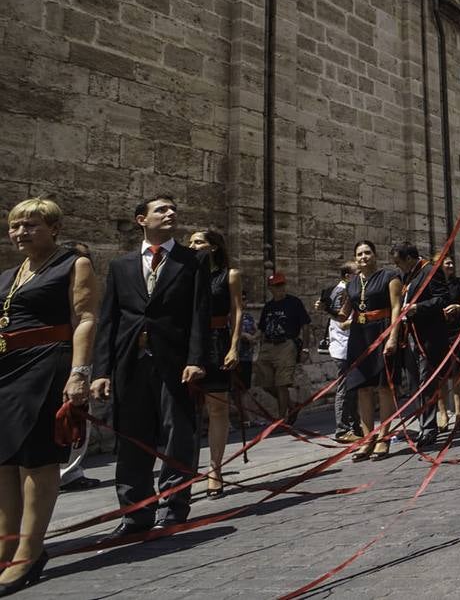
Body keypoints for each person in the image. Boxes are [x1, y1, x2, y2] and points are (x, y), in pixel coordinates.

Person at [91, 193, 210, 536]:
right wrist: (101, 371)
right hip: (131, 362)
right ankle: (135, 513)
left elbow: (199, 315)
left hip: (174, 362)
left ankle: (173, 506)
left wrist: (196, 359)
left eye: (174, 208)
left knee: (177, 435)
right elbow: (109, 320)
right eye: (161, 209)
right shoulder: (121, 266)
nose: (171, 213)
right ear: (141, 219)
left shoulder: (193, 261)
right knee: (131, 438)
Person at [0, 200, 98, 591]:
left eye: (31, 225)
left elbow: (86, 319)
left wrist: (79, 373)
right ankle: (6, 549)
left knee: (36, 460)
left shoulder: (74, 264)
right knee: (5, 461)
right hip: (7, 372)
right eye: (15, 226)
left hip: (46, 365)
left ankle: (29, 552)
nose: (21, 232)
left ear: (54, 228)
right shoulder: (9, 274)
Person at [184, 231, 243, 499]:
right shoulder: (186, 274)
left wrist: (234, 346)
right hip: (188, 344)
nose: (192, 246)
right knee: (185, 410)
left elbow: (237, 310)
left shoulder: (229, 274)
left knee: (217, 409)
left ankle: (215, 470)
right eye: (191, 242)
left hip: (217, 341)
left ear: (214, 247)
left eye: (199, 242)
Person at [343, 240, 402, 461]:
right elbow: (343, 316)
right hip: (359, 336)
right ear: (355, 258)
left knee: (384, 387)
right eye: (359, 254)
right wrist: (326, 308)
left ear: (375, 255)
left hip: (382, 330)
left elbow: (396, 307)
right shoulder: (351, 285)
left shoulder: (389, 277)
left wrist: (393, 337)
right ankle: (368, 439)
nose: (363, 257)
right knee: (362, 388)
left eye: (367, 252)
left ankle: (383, 438)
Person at [391, 243, 451, 452]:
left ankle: (429, 428)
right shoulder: (408, 275)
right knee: (416, 383)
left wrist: (418, 308)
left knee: (427, 382)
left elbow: (443, 298)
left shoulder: (430, 271)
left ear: (409, 258)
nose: (397, 267)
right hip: (410, 337)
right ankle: (424, 423)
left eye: (399, 262)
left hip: (428, 337)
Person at [58, 241, 99, 494]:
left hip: (77, 360)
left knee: (77, 419)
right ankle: (66, 472)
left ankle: (70, 471)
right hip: (60, 357)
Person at [254, 273, 311, 425]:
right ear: (270, 288)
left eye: (282, 285)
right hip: (268, 346)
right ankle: (292, 406)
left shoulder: (294, 302)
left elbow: (305, 325)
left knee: (282, 384)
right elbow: (262, 328)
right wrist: (254, 339)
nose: (280, 288)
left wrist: (305, 348)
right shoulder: (269, 306)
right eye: (276, 286)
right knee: (265, 384)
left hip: (286, 345)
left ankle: (281, 419)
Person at [314, 263, 359, 442]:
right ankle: (342, 429)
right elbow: (343, 321)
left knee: (353, 387)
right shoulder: (343, 292)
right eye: (357, 273)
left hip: (343, 345)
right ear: (348, 275)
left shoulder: (332, 290)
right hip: (344, 345)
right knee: (345, 388)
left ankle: (355, 426)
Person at [439, 256, 460, 428]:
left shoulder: (459, 283)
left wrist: (458, 307)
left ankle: (459, 412)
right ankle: (443, 413)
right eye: (447, 263)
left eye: (452, 263)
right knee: (441, 376)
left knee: (457, 373)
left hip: (457, 331)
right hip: (438, 332)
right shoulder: (434, 283)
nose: (451, 265)